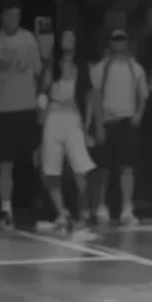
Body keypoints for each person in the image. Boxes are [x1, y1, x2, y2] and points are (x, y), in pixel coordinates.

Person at [38, 29, 98, 237]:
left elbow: (89, 98)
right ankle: (62, 213)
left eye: (72, 38)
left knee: (81, 167)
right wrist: (41, 116)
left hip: (73, 118)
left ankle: (84, 215)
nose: (68, 41)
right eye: (65, 38)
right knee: (51, 168)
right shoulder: (51, 65)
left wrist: (87, 126)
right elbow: (43, 93)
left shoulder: (81, 67)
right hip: (53, 118)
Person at [90, 28, 148, 227]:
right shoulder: (102, 67)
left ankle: (127, 208)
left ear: (127, 42)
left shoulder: (135, 68)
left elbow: (143, 95)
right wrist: (98, 123)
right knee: (103, 168)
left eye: (122, 39)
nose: (118, 43)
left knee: (127, 166)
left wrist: (138, 115)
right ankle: (101, 206)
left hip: (127, 122)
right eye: (115, 39)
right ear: (110, 42)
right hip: (108, 122)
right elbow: (95, 97)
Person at [0, 0, 43, 229]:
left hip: (27, 108)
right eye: (9, 15)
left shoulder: (28, 39)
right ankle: (6, 208)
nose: (13, 19)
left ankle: (37, 204)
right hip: (3, 110)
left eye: (17, 15)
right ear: (2, 17)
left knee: (33, 158)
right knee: (5, 162)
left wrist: (41, 102)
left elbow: (38, 70)